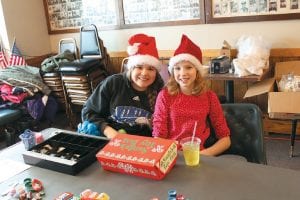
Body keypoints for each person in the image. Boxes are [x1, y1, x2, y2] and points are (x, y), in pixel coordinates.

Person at [152, 34, 231, 156]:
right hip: (170, 155)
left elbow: (225, 140)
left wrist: (203, 155)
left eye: (188, 67)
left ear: (197, 71)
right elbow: (158, 137)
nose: (183, 73)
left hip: (199, 156)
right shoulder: (164, 96)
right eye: (177, 68)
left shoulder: (210, 97)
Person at [81, 33, 164, 139]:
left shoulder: (161, 91)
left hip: (145, 143)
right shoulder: (113, 83)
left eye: (151, 69)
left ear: (156, 72)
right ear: (131, 69)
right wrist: (108, 131)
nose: (144, 73)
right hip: (110, 139)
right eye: (139, 67)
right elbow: (88, 112)